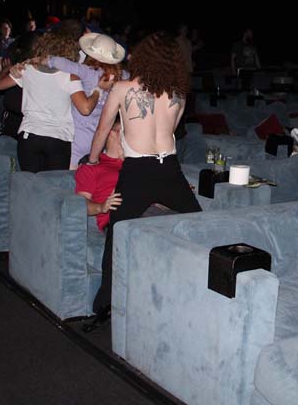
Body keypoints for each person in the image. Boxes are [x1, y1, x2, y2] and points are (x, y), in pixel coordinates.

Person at [86, 32, 202, 318]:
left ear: (142, 58)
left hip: (137, 171)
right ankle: (197, 292)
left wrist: (92, 160)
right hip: (169, 169)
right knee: (199, 228)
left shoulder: (122, 88)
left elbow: (103, 128)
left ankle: (105, 304)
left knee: (117, 234)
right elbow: (171, 129)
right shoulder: (178, 93)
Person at [0, 31, 103, 173]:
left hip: (29, 136)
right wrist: (97, 91)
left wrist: (7, 69)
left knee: (29, 183)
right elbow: (85, 109)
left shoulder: (27, 70)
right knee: (54, 184)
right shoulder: (70, 76)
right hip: (58, 139)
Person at [44, 33, 126, 169]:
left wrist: (35, 61)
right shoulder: (122, 78)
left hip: (76, 140)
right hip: (99, 143)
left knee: (69, 178)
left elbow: (57, 62)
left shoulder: (86, 72)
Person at [74, 121, 123, 233]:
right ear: (111, 133)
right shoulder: (92, 167)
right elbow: (80, 204)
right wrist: (101, 207)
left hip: (149, 213)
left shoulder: (137, 165)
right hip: (118, 221)